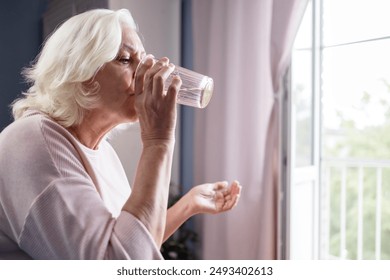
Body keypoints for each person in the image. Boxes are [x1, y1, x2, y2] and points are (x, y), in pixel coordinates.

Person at [0, 8, 241, 259]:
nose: (145, 73)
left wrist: (188, 205)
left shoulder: (103, 152)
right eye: (126, 59)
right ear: (80, 72)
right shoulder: (34, 141)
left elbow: (130, 242)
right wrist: (158, 141)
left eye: (144, 59)